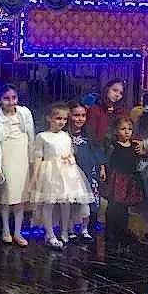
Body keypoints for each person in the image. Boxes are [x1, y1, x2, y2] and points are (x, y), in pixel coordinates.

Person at [30, 103, 95, 250]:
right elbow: (38, 157)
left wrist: (70, 160)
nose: (62, 122)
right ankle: (50, 234)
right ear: (49, 118)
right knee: (49, 203)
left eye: (65, 119)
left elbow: (70, 152)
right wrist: (35, 176)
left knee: (66, 202)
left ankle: (65, 231)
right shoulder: (42, 136)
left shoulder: (66, 135)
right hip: (50, 172)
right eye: (58, 118)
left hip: (67, 172)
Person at [0, 84, 35, 247]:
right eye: (6, 98)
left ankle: (18, 232)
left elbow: (31, 138)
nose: (11, 102)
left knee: (20, 198)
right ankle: (6, 230)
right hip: (7, 157)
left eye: (13, 98)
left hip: (23, 156)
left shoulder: (25, 113)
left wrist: (33, 160)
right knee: (7, 196)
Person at [104, 117, 145, 249]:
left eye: (129, 129)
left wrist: (143, 152)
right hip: (117, 179)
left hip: (129, 179)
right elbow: (107, 161)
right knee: (113, 206)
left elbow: (142, 158)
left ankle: (122, 232)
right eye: (123, 129)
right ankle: (110, 232)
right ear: (116, 130)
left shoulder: (134, 146)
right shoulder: (113, 146)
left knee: (124, 208)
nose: (127, 132)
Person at [68, 101, 106, 237]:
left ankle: (87, 229)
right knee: (72, 201)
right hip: (72, 173)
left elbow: (97, 150)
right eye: (76, 115)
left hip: (90, 171)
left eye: (83, 115)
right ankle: (70, 229)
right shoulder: (65, 136)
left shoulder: (89, 134)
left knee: (90, 200)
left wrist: (102, 167)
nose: (80, 119)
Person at [87, 79, 128, 145]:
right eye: (115, 90)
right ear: (107, 89)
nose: (117, 95)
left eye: (121, 93)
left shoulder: (124, 112)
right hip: (98, 148)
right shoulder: (95, 109)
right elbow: (90, 134)